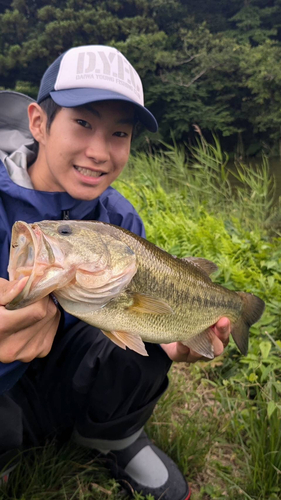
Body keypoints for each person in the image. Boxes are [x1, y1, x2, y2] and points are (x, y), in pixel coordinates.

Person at [0, 45, 230, 499]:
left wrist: (172, 340)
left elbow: (138, 321)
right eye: (83, 123)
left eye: (119, 133)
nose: (99, 151)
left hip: (68, 362)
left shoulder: (121, 221)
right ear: (39, 123)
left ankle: (111, 436)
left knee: (144, 350)